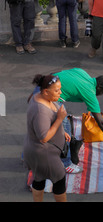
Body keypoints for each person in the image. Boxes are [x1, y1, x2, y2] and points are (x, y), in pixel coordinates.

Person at [24, 74, 69, 202]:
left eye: (60, 89)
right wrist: (60, 119)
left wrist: (61, 131)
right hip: (45, 154)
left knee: (39, 178)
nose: (60, 92)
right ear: (45, 91)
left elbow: (47, 124)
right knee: (59, 180)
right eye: (56, 90)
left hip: (36, 150)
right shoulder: (40, 111)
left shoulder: (38, 97)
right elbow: (43, 137)